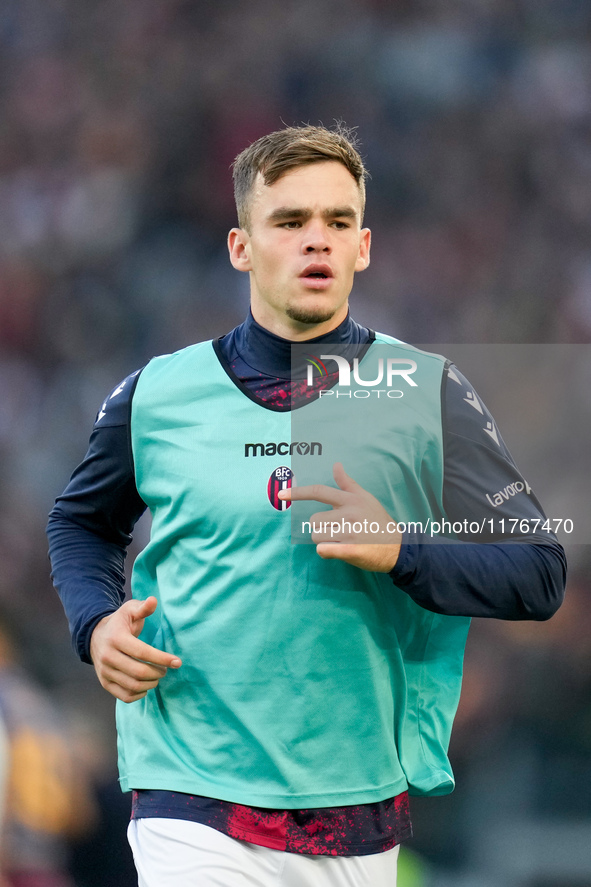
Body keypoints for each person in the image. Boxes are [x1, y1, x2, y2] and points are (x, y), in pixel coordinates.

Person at [47, 125, 566, 887]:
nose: (314, 242)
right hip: (191, 792)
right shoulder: (156, 394)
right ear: (241, 246)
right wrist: (95, 623)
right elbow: (82, 522)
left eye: (336, 221)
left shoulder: (425, 393)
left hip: (355, 805)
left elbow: (538, 570)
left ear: (362, 246)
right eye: (289, 222)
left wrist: (401, 550)